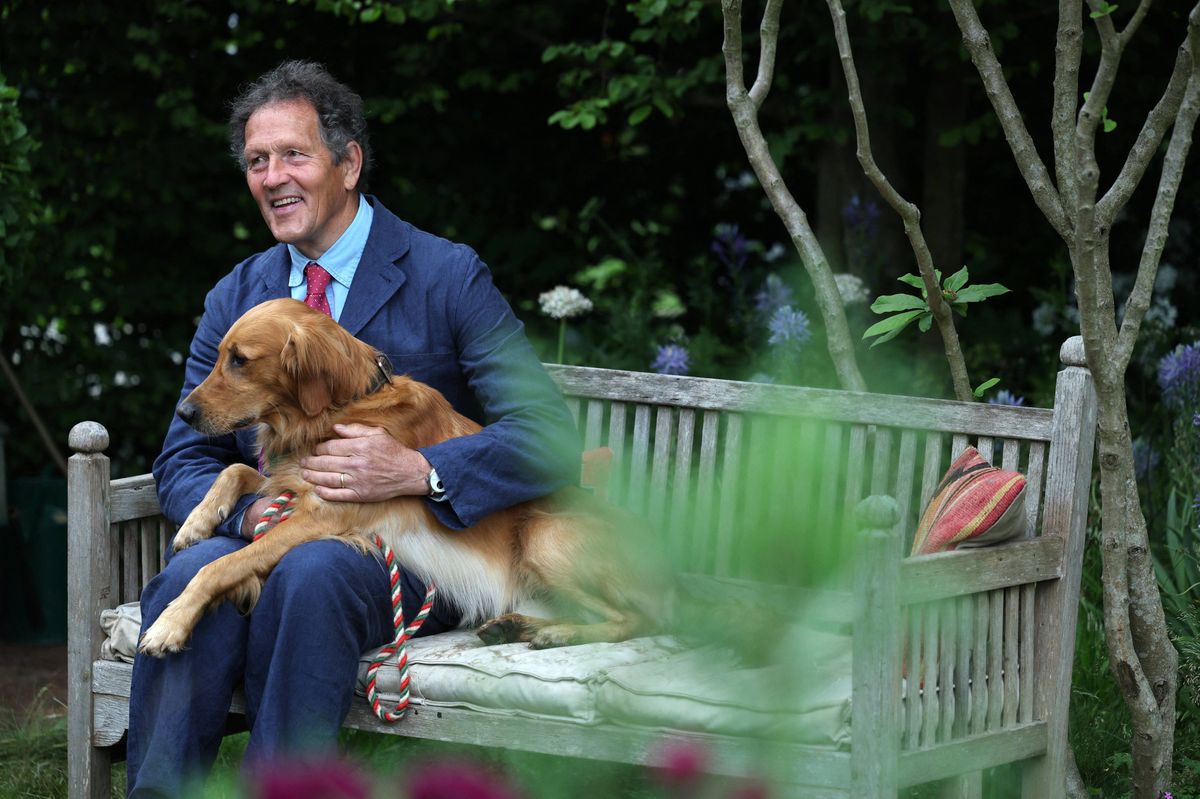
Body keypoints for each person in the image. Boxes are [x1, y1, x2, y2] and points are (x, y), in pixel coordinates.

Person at [128, 60, 581, 797]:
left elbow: (547, 438)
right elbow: (183, 457)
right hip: (277, 530)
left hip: (416, 551)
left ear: (349, 164)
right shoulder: (237, 296)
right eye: (256, 160)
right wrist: (248, 510)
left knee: (313, 572)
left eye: (293, 155)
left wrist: (421, 472)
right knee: (186, 577)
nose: (273, 176)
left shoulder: (446, 274)